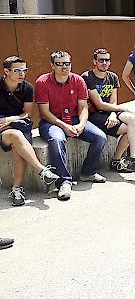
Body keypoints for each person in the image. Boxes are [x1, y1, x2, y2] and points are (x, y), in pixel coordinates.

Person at [36, 51, 107, 201]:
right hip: (52, 121)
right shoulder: (42, 82)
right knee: (57, 139)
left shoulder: (78, 80)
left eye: (67, 63)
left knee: (100, 137)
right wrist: (64, 126)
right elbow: (44, 111)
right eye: (59, 64)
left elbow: (83, 107)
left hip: (74, 119)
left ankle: (88, 172)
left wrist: (81, 124)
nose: (64, 67)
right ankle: (64, 182)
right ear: (52, 65)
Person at [1, 56, 58, 206]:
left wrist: (11, 119)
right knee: (16, 136)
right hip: (2, 130)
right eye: (17, 70)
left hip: (18, 126)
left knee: (18, 139)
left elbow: (28, 113)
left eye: (24, 70)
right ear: (6, 71)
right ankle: (42, 171)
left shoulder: (27, 88)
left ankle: (17, 190)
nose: (22, 74)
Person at [82, 49, 135, 173]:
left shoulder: (112, 77)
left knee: (133, 120)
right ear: (94, 62)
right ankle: (116, 161)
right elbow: (99, 105)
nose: (104, 63)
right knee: (131, 129)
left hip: (110, 112)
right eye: (101, 60)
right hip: (94, 115)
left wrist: (113, 114)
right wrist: (122, 108)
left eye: (107, 60)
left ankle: (133, 159)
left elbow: (113, 102)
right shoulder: (87, 77)